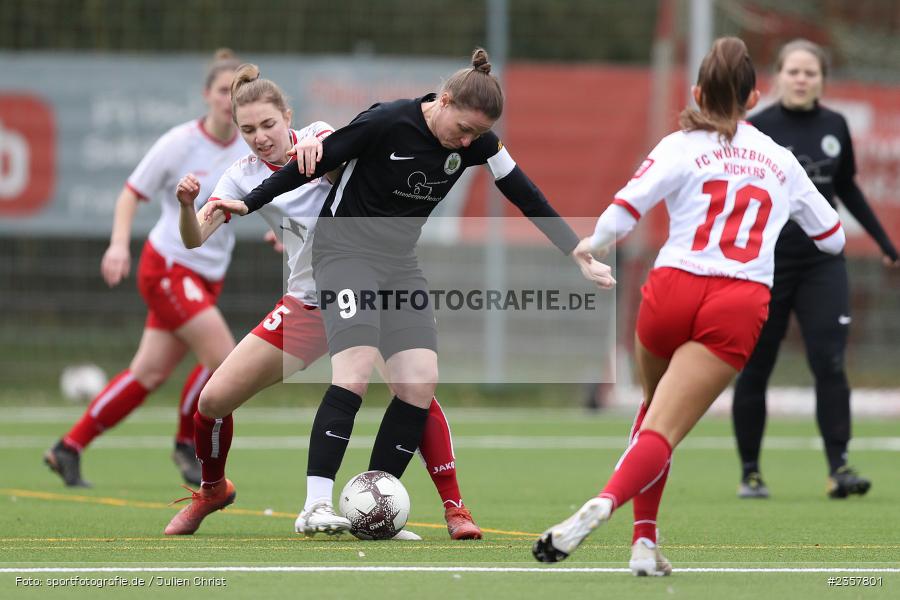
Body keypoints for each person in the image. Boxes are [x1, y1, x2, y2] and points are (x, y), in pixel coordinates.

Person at [204, 48, 615, 537]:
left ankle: (375, 508)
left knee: (419, 382)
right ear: (443, 101)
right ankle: (315, 505)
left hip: (398, 265)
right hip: (344, 255)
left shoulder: (475, 142)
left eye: (476, 135)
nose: (466, 142)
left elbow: (523, 192)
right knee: (353, 374)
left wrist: (575, 250)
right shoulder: (387, 120)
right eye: (463, 129)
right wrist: (250, 204)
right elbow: (308, 167)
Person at [531, 37, 845, 575]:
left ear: (698, 92)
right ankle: (606, 503)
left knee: (654, 411)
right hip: (738, 299)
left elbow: (624, 210)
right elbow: (833, 239)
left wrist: (591, 245)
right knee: (664, 428)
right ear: (754, 97)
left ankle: (645, 545)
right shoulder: (780, 159)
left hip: (672, 287)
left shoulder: (680, 145)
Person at [162, 63, 483, 541]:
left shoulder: (321, 136)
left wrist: (317, 144)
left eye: (269, 125)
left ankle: (454, 507)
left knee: (413, 386)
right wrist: (189, 207)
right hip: (308, 303)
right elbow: (194, 239)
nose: (260, 137)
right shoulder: (239, 177)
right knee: (211, 401)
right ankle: (212, 489)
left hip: (368, 286)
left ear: (287, 116)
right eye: (247, 129)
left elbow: (347, 148)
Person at [43, 49, 247, 488]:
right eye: (221, 92)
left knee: (148, 373)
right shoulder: (180, 142)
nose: (229, 101)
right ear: (206, 96)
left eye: (238, 92)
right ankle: (185, 444)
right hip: (169, 267)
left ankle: (67, 448)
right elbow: (130, 193)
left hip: (208, 276)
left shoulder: (250, 144)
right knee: (225, 359)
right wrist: (118, 246)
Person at [732, 39, 899, 500]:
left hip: (822, 263)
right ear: (778, 76)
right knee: (757, 366)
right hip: (766, 264)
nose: (802, 79)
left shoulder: (835, 125)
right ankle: (750, 471)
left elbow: (846, 188)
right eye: (793, 71)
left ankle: (839, 468)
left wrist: (886, 242)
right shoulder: (755, 129)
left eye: (811, 72)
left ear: (822, 79)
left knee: (829, 361)